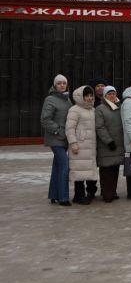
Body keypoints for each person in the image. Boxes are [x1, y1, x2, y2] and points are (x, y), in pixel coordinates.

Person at [41, 74, 72, 206]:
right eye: (59, 83)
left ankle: (54, 194)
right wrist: (58, 131)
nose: (62, 85)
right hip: (56, 138)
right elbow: (45, 119)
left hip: (64, 139)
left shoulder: (67, 99)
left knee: (58, 167)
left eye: (64, 83)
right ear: (54, 85)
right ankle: (63, 198)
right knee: (65, 166)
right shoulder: (50, 99)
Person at [66, 85, 99, 205]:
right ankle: (79, 195)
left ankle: (90, 193)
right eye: (86, 96)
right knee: (78, 171)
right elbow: (69, 128)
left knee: (90, 170)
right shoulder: (74, 109)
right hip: (79, 146)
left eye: (91, 96)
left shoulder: (93, 110)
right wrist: (73, 143)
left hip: (90, 146)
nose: (89, 98)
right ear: (81, 97)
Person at [95, 85, 124, 202]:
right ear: (105, 96)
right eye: (109, 94)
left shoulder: (119, 107)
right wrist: (108, 141)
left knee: (115, 169)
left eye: (114, 94)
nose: (112, 96)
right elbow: (99, 127)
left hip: (118, 144)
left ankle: (112, 191)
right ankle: (107, 194)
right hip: (106, 145)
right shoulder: (100, 109)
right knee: (106, 170)